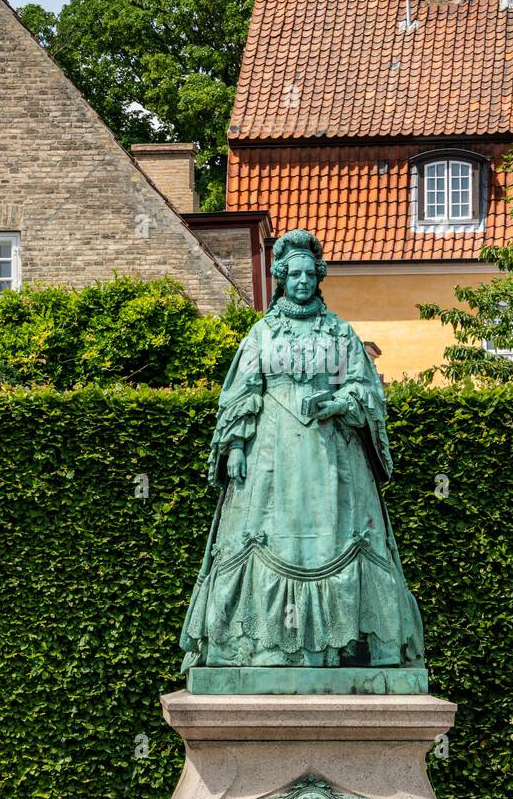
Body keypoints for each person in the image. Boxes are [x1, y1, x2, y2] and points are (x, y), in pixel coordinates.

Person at [180, 228, 424, 671]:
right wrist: (235, 447)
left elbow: (366, 391)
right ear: (280, 277)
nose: (302, 281)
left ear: (319, 277)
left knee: (340, 541)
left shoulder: (341, 332)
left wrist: (339, 402)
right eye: (294, 274)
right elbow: (240, 393)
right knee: (262, 540)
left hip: (332, 456)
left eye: (310, 274)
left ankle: (344, 648)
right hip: (271, 458)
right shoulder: (261, 333)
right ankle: (260, 648)